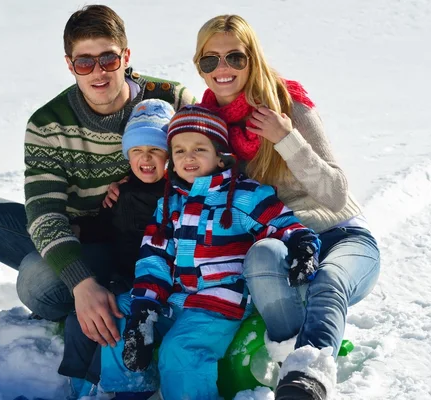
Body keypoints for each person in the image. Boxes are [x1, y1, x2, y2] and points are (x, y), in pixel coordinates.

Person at [0, 4, 194, 383]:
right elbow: (45, 212)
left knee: (38, 281)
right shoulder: (47, 123)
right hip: (71, 235)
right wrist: (81, 284)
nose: (98, 71)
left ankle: (109, 302)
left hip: (138, 241)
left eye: (108, 58)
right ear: (69, 64)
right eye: (85, 62)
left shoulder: (169, 101)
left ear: (126, 57)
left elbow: (208, 161)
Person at [192, 15, 381, 400]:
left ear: (253, 58)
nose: (222, 69)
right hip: (284, 243)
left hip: (341, 234)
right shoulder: (208, 124)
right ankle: (288, 350)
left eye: (235, 57)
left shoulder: (287, 103)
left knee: (329, 281)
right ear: (199, 66)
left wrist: (285, 139)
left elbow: (336, 194)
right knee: (261, 255)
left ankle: (306, 379)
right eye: (210, 60)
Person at [100, 105, 321, 400]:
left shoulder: (243, 194)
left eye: (198, 149)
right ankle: (131, 392)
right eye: (178, 151)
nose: (188, 157)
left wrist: (302, 246)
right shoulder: (168, 204)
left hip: (217, 304)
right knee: (118, 311)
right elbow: (154, 257)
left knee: (182, 350)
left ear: (220, 156)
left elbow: (282, 222)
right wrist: (145, 307)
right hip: (175, 298)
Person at [59, 99, 173, 398]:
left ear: (170, 154)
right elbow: (107, 228)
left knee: (114, 320)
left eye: (155, 151)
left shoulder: (178, 193)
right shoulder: (122, 192)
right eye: (137, 151)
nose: (145, 159)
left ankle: (108, 386)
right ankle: (80, 387)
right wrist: (80, 230)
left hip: (158, 287)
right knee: (79, 319)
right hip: (123, 277)